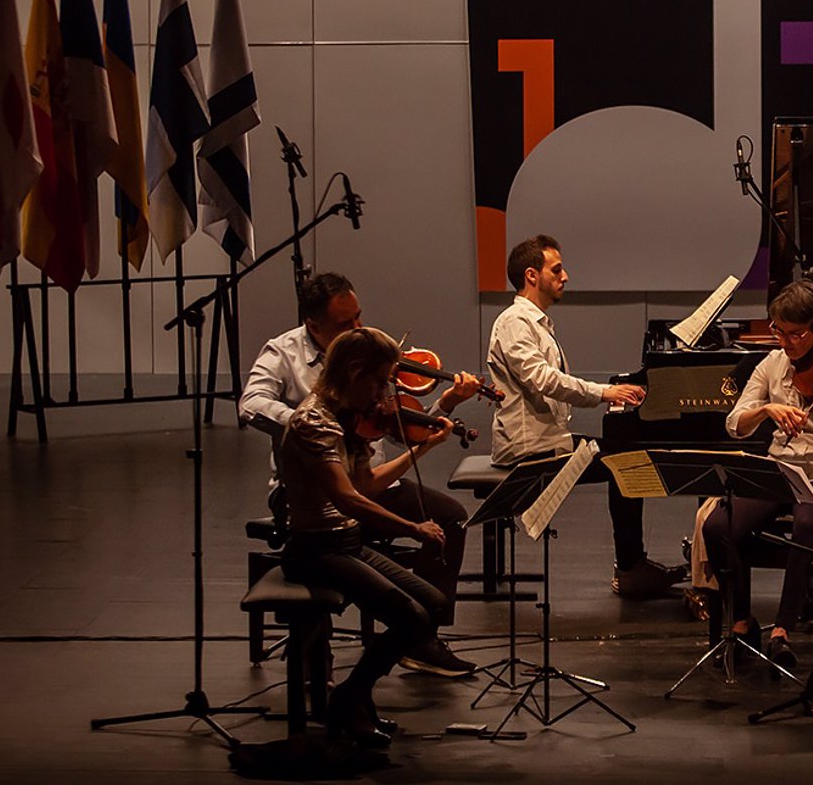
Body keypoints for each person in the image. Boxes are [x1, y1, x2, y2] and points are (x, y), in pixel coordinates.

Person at [239, 271, 479, 677]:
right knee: (334, 547)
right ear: (313, 325)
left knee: (450, 516)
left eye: (358, 318)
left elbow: (401, 432)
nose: (357, 328)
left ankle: (422, 642)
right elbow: (251, 404)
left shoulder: (367, 358)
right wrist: (320, 423)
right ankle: (317, 658)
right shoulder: (284, 354)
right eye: (345, 324)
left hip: (370, 483)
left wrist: (446, 404)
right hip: (306, 492)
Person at [275, 326, 453, 748]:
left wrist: (423, 448)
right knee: (410, 617)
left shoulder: (342, 417)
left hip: (346, 544)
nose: (382, 394)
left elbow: (368, 485)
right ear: (354, 372)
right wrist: (413, 529)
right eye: (379, 381)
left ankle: (353, 697)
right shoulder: (313, 422)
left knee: (432, 603)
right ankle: (351, 701)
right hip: (314, 550)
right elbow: (348, 499)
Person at [487, 234, 686, 596]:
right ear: (532, 276)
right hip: (530, 449)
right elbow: (543, 380)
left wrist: (607, 393)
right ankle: (630, 569)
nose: (566, 277)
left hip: (550, 441)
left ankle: (630, 565)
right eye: (557, 269)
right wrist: (604, 393)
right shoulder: (515, 322)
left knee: (624, 458)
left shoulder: (535, 322)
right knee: (625, 464)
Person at [702, 279, 813, 672]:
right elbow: (735, 423)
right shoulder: (772, 364)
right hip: (781, 467)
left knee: (809, 520)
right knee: (717, 525)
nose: (786, 341)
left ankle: (783, 630)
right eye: (778, 330)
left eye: (796, 333)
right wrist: (767, 411)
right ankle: (743, 622)